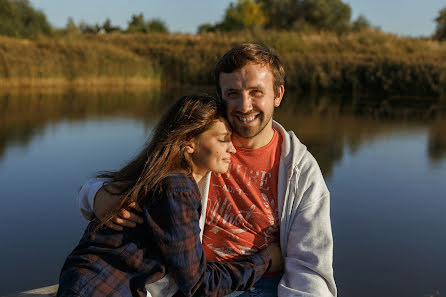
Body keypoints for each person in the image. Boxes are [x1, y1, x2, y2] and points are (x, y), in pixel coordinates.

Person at [78, 44, 337, 297]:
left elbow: (309, 266)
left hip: (267, 285)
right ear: (221, 95)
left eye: (256, 92)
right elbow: (140, 174)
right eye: (233, 93)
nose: (245, 106)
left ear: (278, 95)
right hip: (198, 284)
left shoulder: (300, 170)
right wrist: (96, 197)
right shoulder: (204, 144)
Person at [58, 95, 283, 297]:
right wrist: (265, 260)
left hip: (83, 284)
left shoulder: (159, 176)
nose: (232, 149)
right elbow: (197, 285)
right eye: (223, 139)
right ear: (189, 143)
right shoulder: (177, 188)